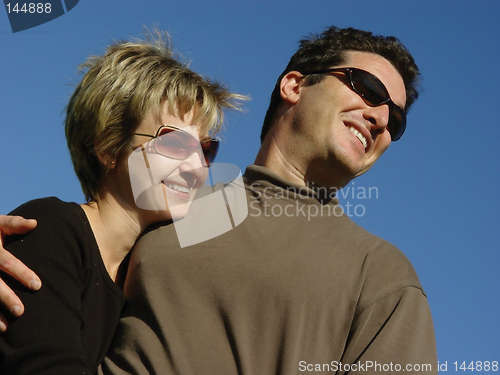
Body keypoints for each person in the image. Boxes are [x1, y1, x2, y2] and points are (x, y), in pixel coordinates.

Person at [0, 26, 437, 374]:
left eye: (395, 120)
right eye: (367, 87)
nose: (380, 116)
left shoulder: (383, 277)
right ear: (294, 85)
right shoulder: (165, 211)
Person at [0, 30, 244, 374]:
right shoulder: (48, 229)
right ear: (107, 146)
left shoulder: (145, 274)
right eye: (174, 143)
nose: (195, 166)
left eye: (205, 149)